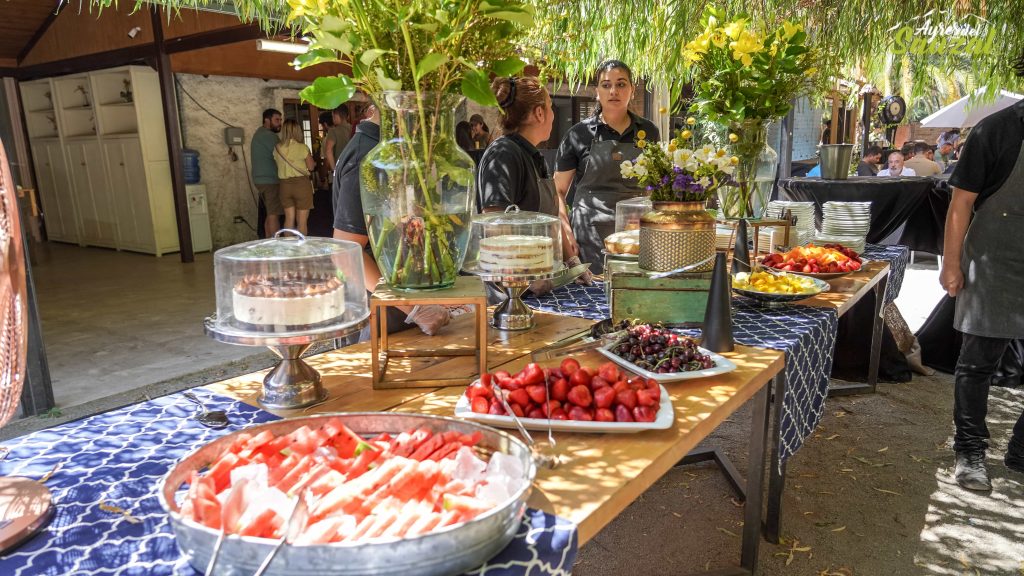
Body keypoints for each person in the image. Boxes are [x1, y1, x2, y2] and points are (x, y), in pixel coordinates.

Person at [940, 52, 1024, 491]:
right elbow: (961, 203)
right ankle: (970, 452)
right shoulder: (998, 129)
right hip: (994, 261)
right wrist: (951, 264)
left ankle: (1021, 449)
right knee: (977, 364)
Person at [332, 100, 451, 336]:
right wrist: (414, 309)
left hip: (402, 303)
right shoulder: (367, 156)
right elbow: (345, 252)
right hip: (380, 308)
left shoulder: (393, 150)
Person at [477, 76, 586, 294]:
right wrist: (524, 276)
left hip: (541, 285)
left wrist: (573, 262)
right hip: (511, 291)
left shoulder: (534, 156)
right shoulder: (503, 155)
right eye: (550, 107)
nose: (553, 115)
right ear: (539, 113)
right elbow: (494, 224)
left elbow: (552, 219)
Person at [553, 59, 659, 274]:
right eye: (606, 85)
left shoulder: (649, 132)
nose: (613, 91)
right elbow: (558, 191)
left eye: (621, 84)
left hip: (636, 234)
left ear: (632, 89)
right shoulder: (578, 134)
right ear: (597, 91)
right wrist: (566, 232)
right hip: (588, 232)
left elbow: (655, 186)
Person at [274, 119, 315, 235]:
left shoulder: (277, 148)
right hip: (301, 185)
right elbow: (311, 167)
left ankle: (288, 249)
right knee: (302, 221)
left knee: (289, 218)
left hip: (284, 186)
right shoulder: (302, 148)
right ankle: (301, 250)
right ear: (298, 131)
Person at [251, 108, 283, 237]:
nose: (279, 123)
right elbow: (284, 154)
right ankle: (276, 247)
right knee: (273, 214)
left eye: (280, 120)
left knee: (270, 214)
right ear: (266, 120)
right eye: (276, 120)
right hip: (270, 181)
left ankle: (268, 243)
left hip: (261, 180)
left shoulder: (259, 133)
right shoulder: (269, 136)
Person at [323, 104, 352, 170]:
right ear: (347, 116)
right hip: (353, 167)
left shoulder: (333, 131)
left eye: (333, 116)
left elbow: (328, 150)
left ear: (336, 116)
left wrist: (334, 169)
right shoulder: (354, 128)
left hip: (340, 167)